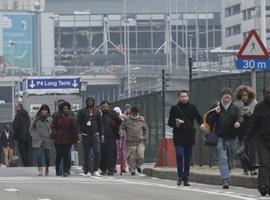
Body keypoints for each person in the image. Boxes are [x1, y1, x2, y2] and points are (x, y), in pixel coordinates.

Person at [206, 87, 242, 189]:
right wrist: (215, 113)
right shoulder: (216, 106)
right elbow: (209, 120)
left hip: (231, 137)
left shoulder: (234, 108)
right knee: (222, 158)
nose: (227, 96)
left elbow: (240, 117)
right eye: (225, 94)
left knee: (230, 159)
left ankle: (227, 172)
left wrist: (238, 122)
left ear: (231, 97)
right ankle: (225, 179)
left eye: (229, 95)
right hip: (219, 137)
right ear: (222, 96)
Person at [168, 90, 203, 186]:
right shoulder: (174, 108)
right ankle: (180, 176)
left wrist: (202, 124)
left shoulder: (192, 107)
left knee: (188, 158)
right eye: (182, 96)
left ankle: (186, 178)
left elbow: (199, 118)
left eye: (185, 96)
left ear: (188, 97)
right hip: (178, 135)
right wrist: (176, 123)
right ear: (179, 97)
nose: (184, 98)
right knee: (179, 155)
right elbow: (170, 123)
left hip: (189, 135)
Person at [244, 87, 270, 196]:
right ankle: (262, 186)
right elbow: (253, 124)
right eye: (267, 93)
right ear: (264, 94)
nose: (269, 95)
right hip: (262, 141)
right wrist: (246, 139)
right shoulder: (259, 107)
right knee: (264, 163)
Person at [77, 96, 104, 176]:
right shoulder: (82, 111)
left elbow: (100, 124)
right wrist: (79, 133)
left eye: (91, 101)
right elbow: (78, 123)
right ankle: (88, 170)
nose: (90, 103)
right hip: (85, 135)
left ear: (93, 102)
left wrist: (102, 135)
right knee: (86, 153)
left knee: (97, 151)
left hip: (95, 134)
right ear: (86, 102)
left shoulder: (97, 111)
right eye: (88, 101)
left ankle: (95, 169)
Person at [234, 85, 257, 176]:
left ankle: (253, 168)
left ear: (249, 95)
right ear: (240, 96)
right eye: (242, 95)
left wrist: (249, 112)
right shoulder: (236, 104)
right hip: (241, 130)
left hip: (252, 130)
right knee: (243, 150)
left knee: (252, 149)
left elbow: (256, 116)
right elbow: (235, 117)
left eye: (246, 95)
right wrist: (241, 114)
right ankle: (245, 168)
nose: (244, 97)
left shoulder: (254, 103)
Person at [51, 102, 78, 177]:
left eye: (67, 109)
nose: (66, 110)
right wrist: (54, 133)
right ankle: (58, 169)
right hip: (58, 139)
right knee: (59, 154)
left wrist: (75, 139)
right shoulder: (57, 117)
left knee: (66, 155)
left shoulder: (71, 118)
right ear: (61, 109)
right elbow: (53, 126)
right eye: (64, 109)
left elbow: (74, 129)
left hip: (67, 139)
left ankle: (66, 170)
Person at [120, 107, 148, 175]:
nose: (134, 115)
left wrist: (144, 137)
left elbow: (146, 129)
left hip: (140, 141)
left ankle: (138, 165)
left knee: (140, 155)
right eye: (133, 113)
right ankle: (132, 170)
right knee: (131, 157)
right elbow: (122, 127)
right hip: (131, 141)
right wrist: (122, 132)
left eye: (136, 113)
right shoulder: (127, 119)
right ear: (131, 113)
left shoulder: (141, 119)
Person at [100, 101, 122, 175]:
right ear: (101, 107)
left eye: (106, 106)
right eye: (103, 107)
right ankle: (103, 169)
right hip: (101, 137)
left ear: (108, 107)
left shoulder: (113, 113)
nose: (105, 108)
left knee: (111, 154)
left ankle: (111, 169)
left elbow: (120, 122)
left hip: (111, 137)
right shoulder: (99, 115)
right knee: (102, 154)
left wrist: (116, 127)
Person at [30, 104, 53, 176]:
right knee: (39, 155)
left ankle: (47, 167)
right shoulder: (36, 118)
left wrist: (51, 135)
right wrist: (33, 135)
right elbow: (31, 128)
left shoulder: (50, 119)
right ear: (40, 110)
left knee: (47, 156)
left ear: (48, 111)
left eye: (45, 110)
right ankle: (40, 169)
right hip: (38, 139)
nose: (44, 111)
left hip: (47, 139)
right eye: (43, 110)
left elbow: (53, 128)